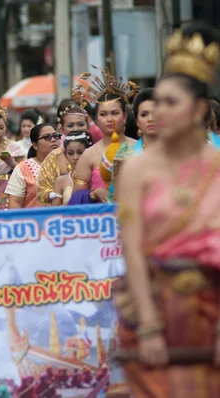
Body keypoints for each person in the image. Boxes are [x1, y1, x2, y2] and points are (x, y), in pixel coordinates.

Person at [113, 25, 220, 397]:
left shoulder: (218, 166)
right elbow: (132, 250)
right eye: (156, 102)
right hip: (153, 305)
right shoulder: (137, 169)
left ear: (200, 110)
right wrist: (149, 325)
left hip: (211, 312)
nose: (158, 112)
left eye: (171, 103)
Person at [70, 67, 139, 203]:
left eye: (114, 113)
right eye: (103, 114)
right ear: (96, 120)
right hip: (101, 219)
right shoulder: (88, 155)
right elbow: (75, 199)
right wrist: (93, 194)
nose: (109, 119)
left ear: (124, 117)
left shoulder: (139, 148)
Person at [107, 88, 157, 201]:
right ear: (137, 121)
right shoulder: (125, 153)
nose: (150, 119)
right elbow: (115, 197)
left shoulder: (176, 153)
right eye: (144, 115)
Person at [37, 102, 89, 205]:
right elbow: (43, 191)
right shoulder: (53, 157)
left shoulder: (97, 154)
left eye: (81, 124)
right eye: (70, 125)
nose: (76, 129)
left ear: (88, 126)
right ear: (61, 129)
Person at [6, 123, 61, 209]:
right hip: (34, 220)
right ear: (35, 145)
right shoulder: (23, 168)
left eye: (56, 136)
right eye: (47, 137)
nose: (53, 140)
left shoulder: (69, 163)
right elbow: (15, 202)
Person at [51, 131, 93, 206]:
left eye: (80, 152)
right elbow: (54, 213)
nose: (75, 157)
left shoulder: (95, 177)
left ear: (89, 152)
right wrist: (74, 198)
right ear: (65, 154)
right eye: (70, 153)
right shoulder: (61, 181)